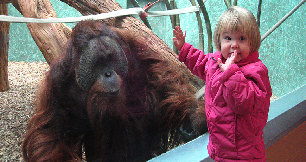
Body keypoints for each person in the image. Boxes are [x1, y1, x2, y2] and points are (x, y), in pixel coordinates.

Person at [173, 6, 272, 161]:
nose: (234, 45)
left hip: (243, 153)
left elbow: (245, 103)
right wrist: (184, 48)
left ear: (252, 42)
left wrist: (230, 74)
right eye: (228, 38)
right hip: (220, 146)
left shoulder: (256, 71)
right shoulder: (215, 62)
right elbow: (200, 62)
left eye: (242, 39)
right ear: (219, 40)